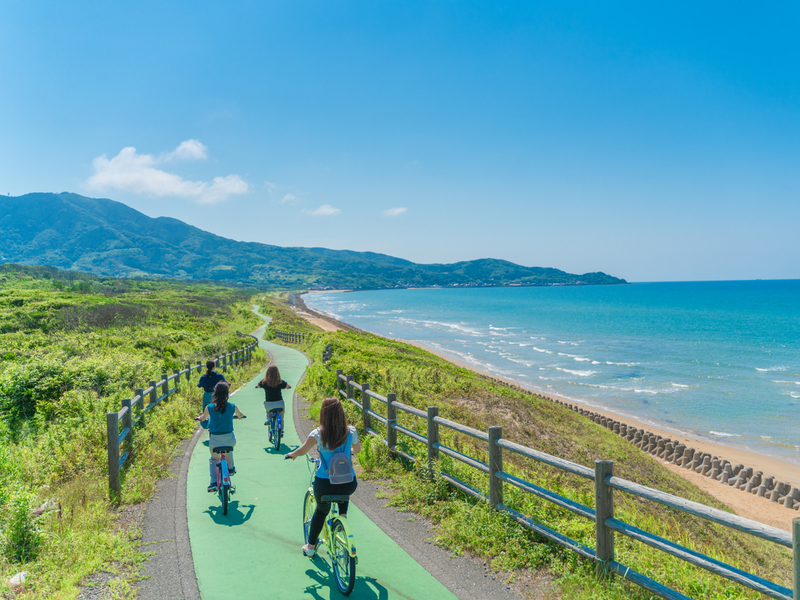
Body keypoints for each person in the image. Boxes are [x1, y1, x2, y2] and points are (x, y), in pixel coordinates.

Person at [287, 397, 361, 556]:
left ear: (323, 414)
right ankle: (343, 517)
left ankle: (311, 547)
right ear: (341, 413)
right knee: (343, 491)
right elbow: (358, 450)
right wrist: (348, 452)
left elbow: (302, 450)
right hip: (349, 483)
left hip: (324, 484)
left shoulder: (318, 434)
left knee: (321, 511)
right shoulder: (351, 431)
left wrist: (292, 454)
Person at [195, 382, 246, 492]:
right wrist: (241, 416)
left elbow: (203, 418)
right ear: (227, 393)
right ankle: (231, 468)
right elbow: (240, 414)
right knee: (229, 450)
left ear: (215, 393)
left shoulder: (210, 407)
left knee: (214, 458)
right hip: (229, 439)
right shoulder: (232, 406)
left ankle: (213, 482)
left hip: (215, 440)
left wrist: (199, 418)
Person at [255, 365, 291, 436]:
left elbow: (257, 385)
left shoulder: (264, 382)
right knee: (281, 416)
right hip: (279, 403)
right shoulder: (280, 382)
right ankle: (281, 431)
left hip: (269, 403)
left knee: (267, 409)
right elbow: (288, 385)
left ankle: (268, 418)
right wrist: (288, 387)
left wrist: (258, 386)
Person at [197, 360, 227, 430]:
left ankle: (206, 424)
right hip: (216, 395)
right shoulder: (219, 376)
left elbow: (199, 385)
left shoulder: (204, 377)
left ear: (206, 367)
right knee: (218, 409)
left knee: (206, 411)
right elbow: (226, 383)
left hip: (207, 395)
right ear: (214, 366)